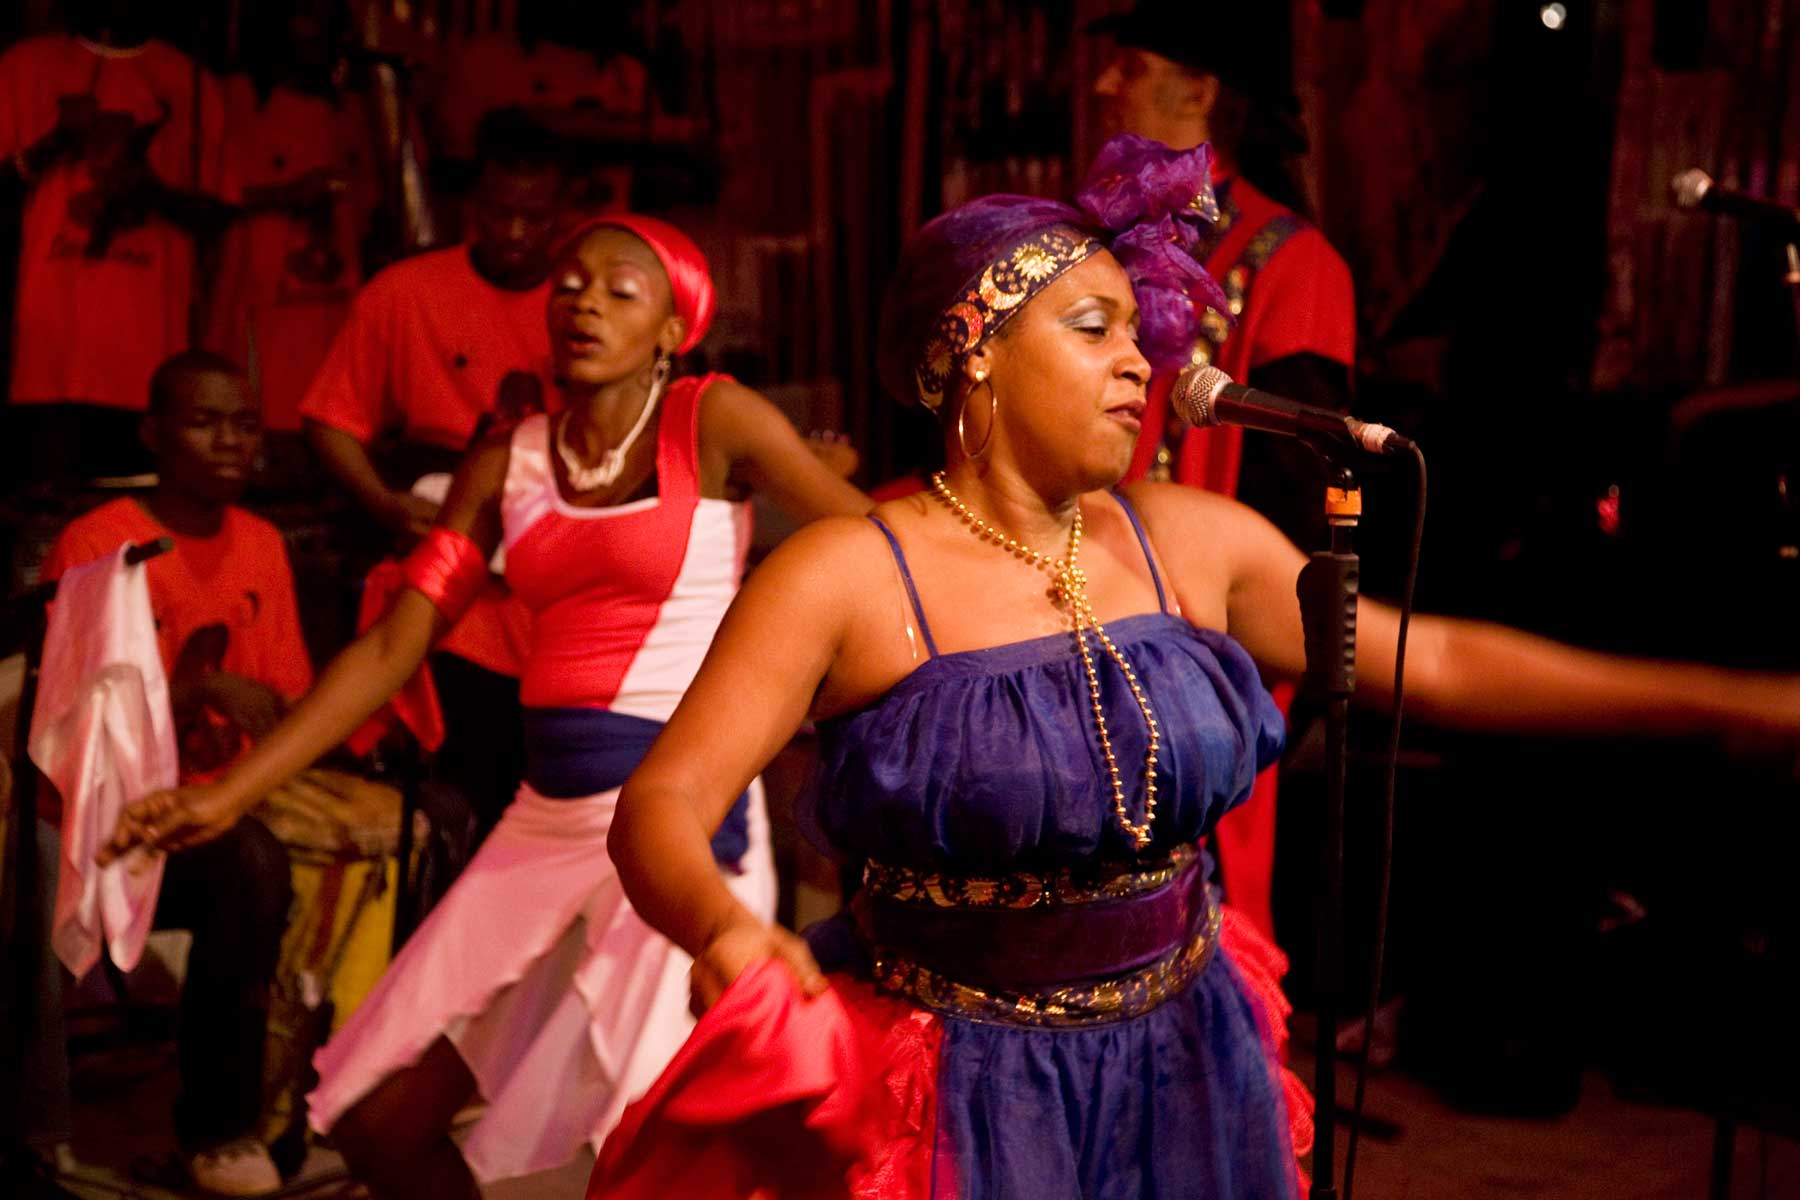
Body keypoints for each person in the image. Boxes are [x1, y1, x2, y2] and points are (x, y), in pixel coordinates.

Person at [582, 141, 1800, 1199]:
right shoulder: (851, 574)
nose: (1142, 364)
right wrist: (723, 933)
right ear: (977, 351)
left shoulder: (1191, 541)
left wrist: (1725, 710)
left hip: (1186, 1055)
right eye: (1095, 329)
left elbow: (1446, 665)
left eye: (1139, 334)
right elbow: (664, 804)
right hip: (960, 1084)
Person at [101, 213, 873, 1198]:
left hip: (680, 824)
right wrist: (226, 794)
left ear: (672, 330)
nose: (582, 299)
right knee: (382, 1122)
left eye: (618, 289)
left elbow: (871, 543)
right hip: (542, 824)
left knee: (646, 1153)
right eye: (569, 283)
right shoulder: (509, 461)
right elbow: (393, 645)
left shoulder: (711, 420)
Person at [1090, 0, 1358, 943]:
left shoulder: (1292, 260)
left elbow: (1294, 501)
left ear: (1198, 89)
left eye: (1126, 62)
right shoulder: (1092, 242)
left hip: (1197, 653)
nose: (1102, 84)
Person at [34, 351, 308, 1196]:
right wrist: (199, 689)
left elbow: (290, 696)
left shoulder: (261, 541)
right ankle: (218, 1131)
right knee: (251, 863)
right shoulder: (96, 542)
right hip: (111, 821)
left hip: (217, 803)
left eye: (245, 422)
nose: (230, 441)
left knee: (371, 830)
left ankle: (293, 1100)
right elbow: (75, 724)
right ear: (154, 432)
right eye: (205, 421)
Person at [298, 109, 567, 847]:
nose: (513, 233)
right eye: (497, 214)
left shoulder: (588, 302)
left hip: (554, 589)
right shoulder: (405, 292)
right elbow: (330, 418)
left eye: (533, 218)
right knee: (466, 795)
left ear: (562, 216)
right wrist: (385, 504)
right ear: (469, 207)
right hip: (450, 580)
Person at [0, 0, 239, 487]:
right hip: (47, 359)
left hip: (150, 363)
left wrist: (150, 190)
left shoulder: (189, 80)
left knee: (136, 528)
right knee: (48, 524)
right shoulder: (24, 65)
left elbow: (221, 213)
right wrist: (56, 142)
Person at [205, 0, 372, 441]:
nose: (317, 30)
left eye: (327, 18)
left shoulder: (351, 110)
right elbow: (207, 198)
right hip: (257, 308)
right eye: (305, 14)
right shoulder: (237, 97)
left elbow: (373, 212)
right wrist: (287, 194)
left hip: (331, 308)